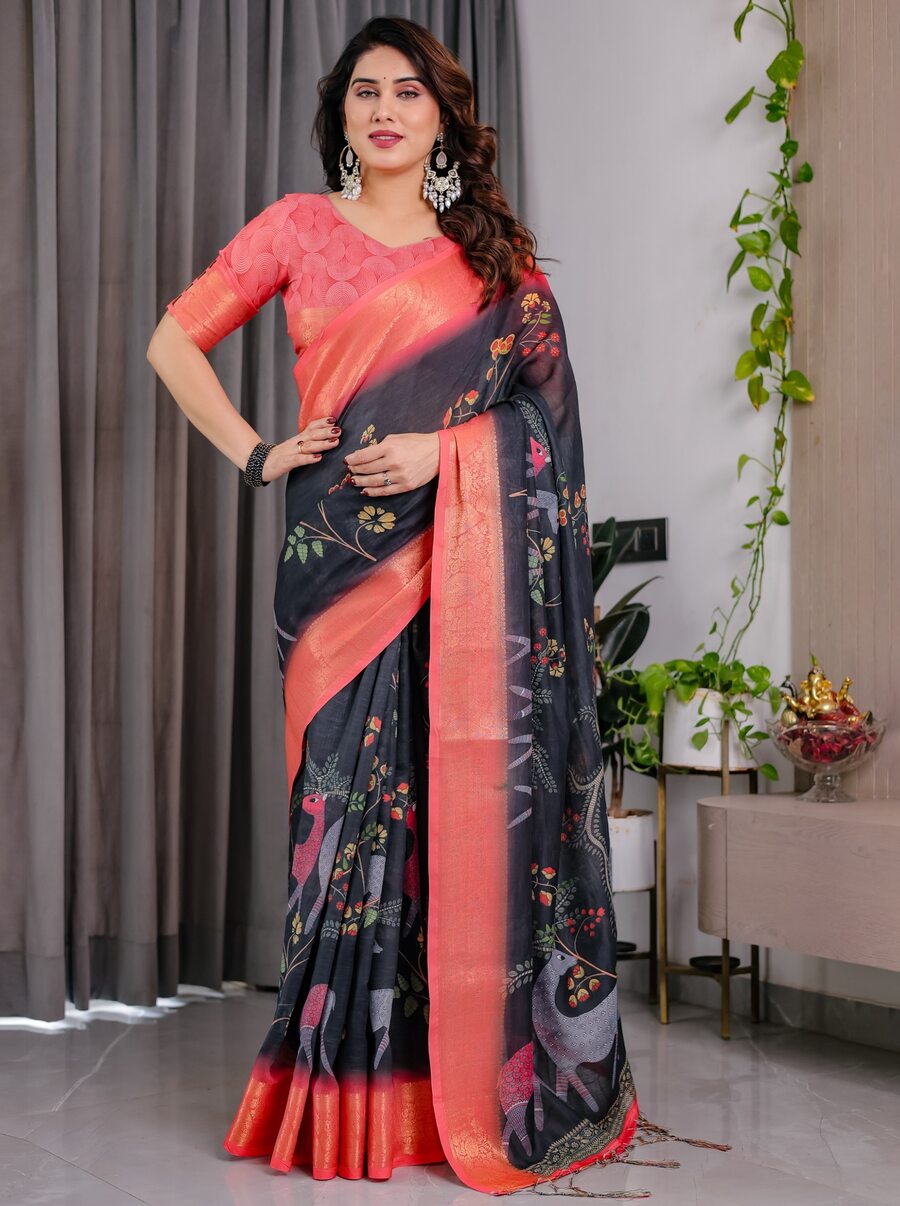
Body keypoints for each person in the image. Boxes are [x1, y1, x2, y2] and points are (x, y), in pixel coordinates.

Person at [147, 15, 637, 1195]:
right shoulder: (295, 227)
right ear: (341, 115)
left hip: (460, 575)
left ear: (442, 115)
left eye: (408, 92)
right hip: (334, 573)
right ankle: (338, 1096)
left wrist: (443, 454)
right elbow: (173, 341)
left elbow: (548, 428)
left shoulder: (491, 261)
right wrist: (258, 452)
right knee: (341, 833)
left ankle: (442, 1092)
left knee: (452, 820)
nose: (385, 111)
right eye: (365, 92)